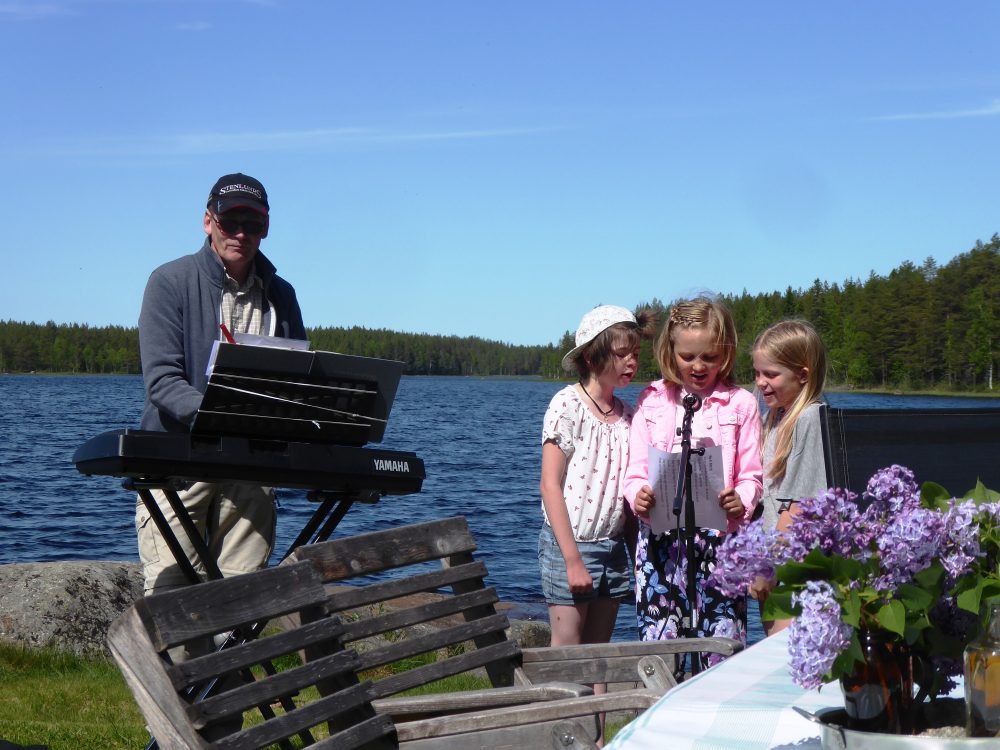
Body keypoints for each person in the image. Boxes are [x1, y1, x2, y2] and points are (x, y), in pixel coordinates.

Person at [136, 173, 306, 596]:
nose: (242, 234)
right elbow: (162, 382)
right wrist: (222, 418)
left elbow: (294, 379)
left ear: (266, 229)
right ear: (208, 221)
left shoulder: (281, 295)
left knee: (243, 597)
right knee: (171, 600)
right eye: (231, 222)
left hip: (251, 468)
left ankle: (230, 664)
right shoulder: (169, 281)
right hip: (176, 462)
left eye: (254, 225)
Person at [624, 298, 762, 664]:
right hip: (660, 546)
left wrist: (742, 500)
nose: (699, 367)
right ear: (670, 352)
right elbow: (635, 470)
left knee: (722, 650)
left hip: (720, 545)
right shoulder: (652, 401)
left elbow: (751, 474)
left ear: (726, 354)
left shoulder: (741, 404)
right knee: (660, 649)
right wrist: (638, 496)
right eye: (688, 357)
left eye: (710, 357)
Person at [537, 304, 655, 732]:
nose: (631, 363)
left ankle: (596, 739)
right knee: (567, 657)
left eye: (635, 354)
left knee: (597, 658)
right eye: (622, 354)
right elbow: (550, 485)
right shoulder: (567, 405)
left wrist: (633, 552)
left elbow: (626, 496)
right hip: (571, 544)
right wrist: (572, 560)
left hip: (611, 547)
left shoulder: (627, 417)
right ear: (592, 357)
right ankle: (558, 737)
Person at [751, 318, 829, 635]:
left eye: (770, 374)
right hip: (776, 562)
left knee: (786, 656)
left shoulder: (810, 418)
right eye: (757, 372)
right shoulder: (776, 418)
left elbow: (796, 505)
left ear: (803, 375)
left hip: (797, 567)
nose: (760, 382)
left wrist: (768, 569)